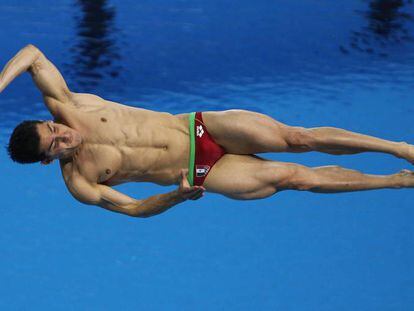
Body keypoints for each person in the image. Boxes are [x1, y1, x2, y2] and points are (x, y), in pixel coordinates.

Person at [2, 45, 414, 218]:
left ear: (49, 119)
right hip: (200, 174)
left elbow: (33, 54)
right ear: (47, 160)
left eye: (54, 129)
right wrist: (176, 197)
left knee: (297, 139)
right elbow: (133, 209)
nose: (64, 136)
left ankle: (399, 148)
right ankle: (396, 182)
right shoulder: (80, 180)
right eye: (55, 145)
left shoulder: (71, 106)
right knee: (294, 179)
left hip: (198, 127)